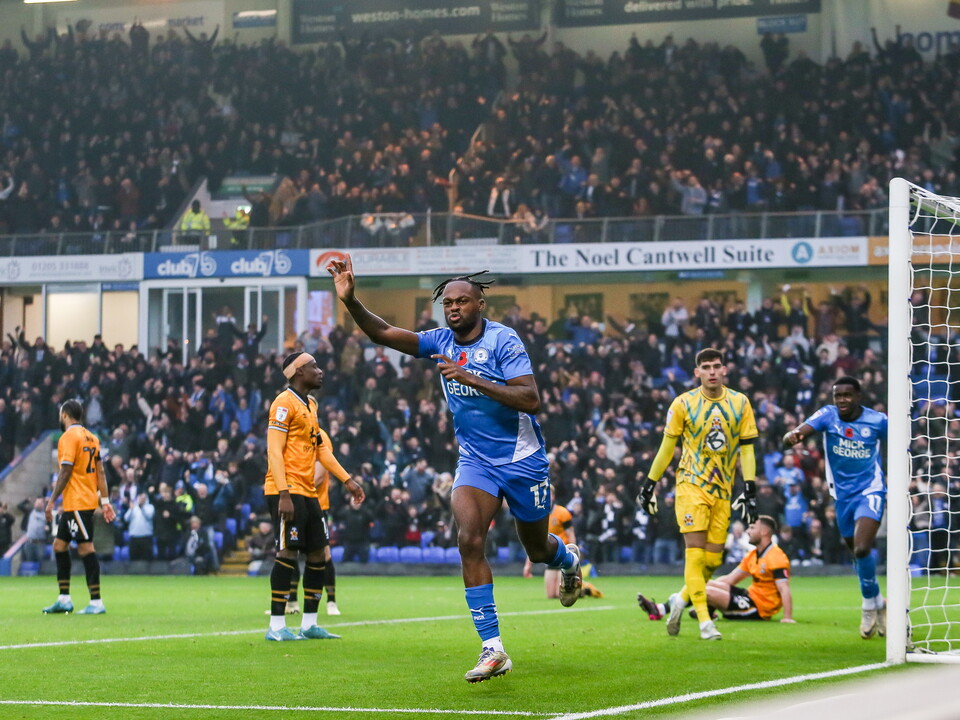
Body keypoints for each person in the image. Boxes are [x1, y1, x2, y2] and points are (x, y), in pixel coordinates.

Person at [328, 255, 581, 683]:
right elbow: (385, 333)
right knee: (468, 539)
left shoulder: (505, 341)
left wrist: (471, 378)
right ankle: (493, 648)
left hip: (522, 460)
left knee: (538, 551)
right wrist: (352, 301)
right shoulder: (440, 340)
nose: (453, 309)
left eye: (461, 301)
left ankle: (567, 559)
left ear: (480, 304)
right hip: (476, 462)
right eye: (447, 303)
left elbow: (530, 399)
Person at [635, 347, 758, 640]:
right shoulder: (683, 404)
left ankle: (678, 601)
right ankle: (705, 622)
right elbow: (667, 448)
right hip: (691, 486)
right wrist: (649, 484)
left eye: (717, 366)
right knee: (694, 556)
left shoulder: (740, 403)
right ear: (697, 372)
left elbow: (748, 449)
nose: (712, 371)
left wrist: (749, 487)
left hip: (723, 491)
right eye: (707, 367)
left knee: (713, 562)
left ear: (724, 370)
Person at [263, 351, 365, 641]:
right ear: (298, 372)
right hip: (285, 489)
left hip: (308, 490)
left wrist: (347, 480)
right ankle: (277, 627)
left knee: (318, 553)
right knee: (287, 552)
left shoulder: (310, 404)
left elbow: (321, 449)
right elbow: (274, 450)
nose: (320, 371)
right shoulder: (283, 404)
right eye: (313, 367)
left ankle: (309, 624)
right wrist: (283, 491)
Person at [783, 375, 887, 639]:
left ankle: (867, 605)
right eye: (837, 395)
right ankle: (877, 601)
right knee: (856, 554)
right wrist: (793, 436)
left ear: (858, 396)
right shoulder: (828, 415)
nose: (842, 400)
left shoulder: (878, 421)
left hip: (870, 490)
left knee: (863, 547)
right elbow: (801, 431)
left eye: (847, 395)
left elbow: (902, 446)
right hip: (841, 496)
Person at [639, 516, 794, 623]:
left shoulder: (777, 557)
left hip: (758, 608)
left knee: (705, 591)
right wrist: (707, 583)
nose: (748, 531)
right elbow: (730, 579)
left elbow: (783, 588)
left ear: (764, 532)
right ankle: (703, 610)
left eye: (752, 527)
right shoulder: (753, 555)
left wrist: (787, 617)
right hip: (749, 596)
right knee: (704, 584)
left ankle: (664, 610)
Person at [42, 400, 116, 615]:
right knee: (59, 545)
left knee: (86, 548)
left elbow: (65, 471)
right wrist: (105, 501)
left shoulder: (67, 438)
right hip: (81, 502)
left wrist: (51, 499)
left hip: (77, 503)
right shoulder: (93, 438)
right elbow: (100, 473)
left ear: (65, 415)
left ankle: (96, 602)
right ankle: (64, 598)